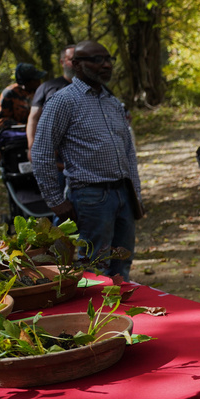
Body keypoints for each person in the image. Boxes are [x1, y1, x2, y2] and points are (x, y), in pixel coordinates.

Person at [33, 41, 143, 280]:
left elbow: (128, 151)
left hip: (122, 194)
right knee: (94, 267)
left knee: (122, 263)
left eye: (108, 59)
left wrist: (135, 193)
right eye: (97, 59)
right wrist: (55, 200)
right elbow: (41, 153)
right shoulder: (62, 101)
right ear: (77, 65)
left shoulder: (112, 102)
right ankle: (94, 317)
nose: (105, 64)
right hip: (91, 198)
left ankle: (119, 315)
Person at [28, 45, 75, 154]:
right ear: (62, 62)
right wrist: (32, 146)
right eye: (72, 60)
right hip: (54, 153)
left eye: (80, 59)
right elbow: (34, 118)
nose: (76, 63)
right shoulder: (48, 87)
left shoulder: (97, 89)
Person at [0, 63, 45, 128]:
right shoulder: (10, 93)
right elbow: (2, 120)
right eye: (35, 80)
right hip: (17, 133)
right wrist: (25, 127)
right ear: (28, 82)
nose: (39, 82)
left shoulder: (40, 91)